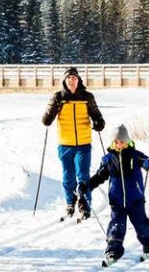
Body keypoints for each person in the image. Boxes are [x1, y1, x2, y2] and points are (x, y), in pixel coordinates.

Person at [81, 125, 149, 266]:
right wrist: (86, 186)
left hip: (135, 200)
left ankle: (148, 243)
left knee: (142, 225)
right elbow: (99, 176)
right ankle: (113, 251)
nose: (119, 145)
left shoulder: (136, 155)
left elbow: (147, 163)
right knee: (116, 227)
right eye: (116, 142)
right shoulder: (108, 159)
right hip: (117, 201)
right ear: (112, 143)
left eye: (122, 142)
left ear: (127, 141)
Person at [42, 66, 105, 219]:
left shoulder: (87, 97)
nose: (71, 80)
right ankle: (70, 202)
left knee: (83, 176)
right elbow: (46, 119)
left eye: (74, 78)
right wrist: (48, 116)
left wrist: (98, 123)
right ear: (64, 81)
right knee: (68, 177)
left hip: (83, 144)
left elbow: (98, 116)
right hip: (65, 144)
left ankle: (85, 204)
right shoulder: (58, 97)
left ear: (78, 80)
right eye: (69, 78)